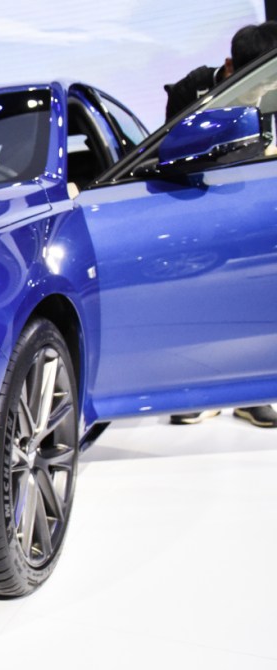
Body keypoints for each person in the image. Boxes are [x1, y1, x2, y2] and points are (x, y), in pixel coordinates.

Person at [167, 21, 277, 429]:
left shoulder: (271, 90)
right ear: (231, 66)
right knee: (199, 298)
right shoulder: (190, 89)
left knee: (256, 296)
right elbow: (174, 149)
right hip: (200, 204)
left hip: (255, 207)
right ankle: (198, 389)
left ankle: (251, 393)